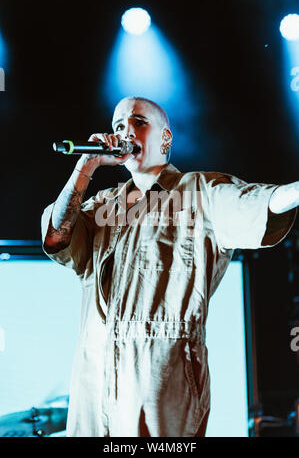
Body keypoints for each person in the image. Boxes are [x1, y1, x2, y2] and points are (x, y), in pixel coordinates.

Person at [41, 96, 298, 437]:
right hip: (93, 378)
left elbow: (259, 201)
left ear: (165, 138)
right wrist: (84, 168)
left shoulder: (200, 193)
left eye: (139, 122)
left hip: (159, 377)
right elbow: (57, 236)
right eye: (118, 126)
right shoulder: (102, 205)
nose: (126, 131)